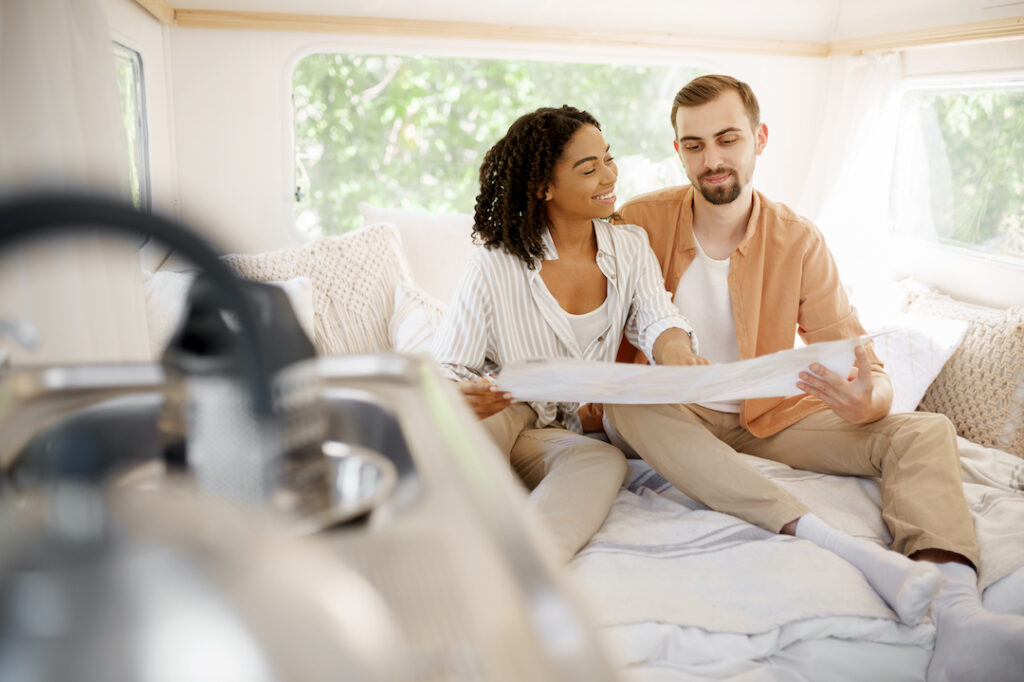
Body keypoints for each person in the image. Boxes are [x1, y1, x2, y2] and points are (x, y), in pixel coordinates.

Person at [595, 73, 1024, 682]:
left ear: (759, 138)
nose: (712, 159)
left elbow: (861, 364)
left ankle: (958, 612)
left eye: (727, 139)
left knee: (924, 430)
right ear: (678, 151)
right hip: (672, 412)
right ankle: (824, 535)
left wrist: (865, 402)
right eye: (694, 145)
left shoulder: (797, 240)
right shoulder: (638, 222)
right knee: (626, 406)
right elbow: (586, 326)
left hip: (765, 419)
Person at [432, 105, 700, 566]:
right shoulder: (495, 262)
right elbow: (449, 368)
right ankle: (443, 552)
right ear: (544, 186)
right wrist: (464, 395)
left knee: (602, 462)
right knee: (462, 446)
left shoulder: (630, 246)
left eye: (608, 158)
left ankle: (532, 566)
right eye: (588, 167)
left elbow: (658, 319)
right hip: (503, 409)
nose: (608, 175)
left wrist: (677, 351)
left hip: (555, 433)